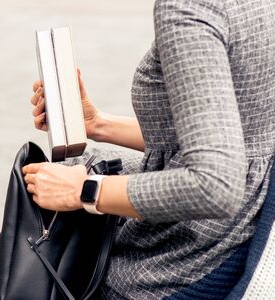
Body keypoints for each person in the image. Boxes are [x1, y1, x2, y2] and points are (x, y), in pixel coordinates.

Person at [23, 0, 274, 299]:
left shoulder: (190, 9)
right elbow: (233, 135)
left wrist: (84, 190)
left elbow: (215, 186)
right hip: (244, 232)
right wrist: (98, 124)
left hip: (183, 262)